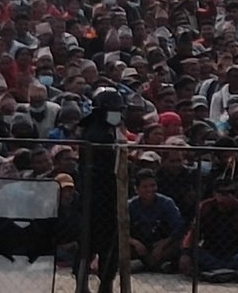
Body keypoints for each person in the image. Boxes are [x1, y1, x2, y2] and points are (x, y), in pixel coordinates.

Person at [76, 87, 126, 293]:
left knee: (104, 244)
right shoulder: (97, 133)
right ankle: (89, 284)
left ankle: (103, 283)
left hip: (106, 194)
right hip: (98, 195)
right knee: (92, 243)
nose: (118, 114)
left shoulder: (106, 129)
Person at [124, 172, 184, 274]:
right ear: (136, 189)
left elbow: (179, 227)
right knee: (121, 245)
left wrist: (164, 243)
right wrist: (134, 242)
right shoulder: (130, 205)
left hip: (161, 243)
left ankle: (145, 264)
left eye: (153, 185)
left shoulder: (167, 203)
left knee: (180, 244)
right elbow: (119, 229)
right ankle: (154, 265)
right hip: (139, 245)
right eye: (145, 187)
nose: (150, 189)